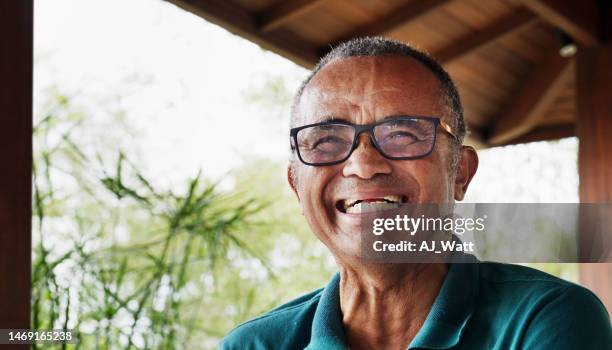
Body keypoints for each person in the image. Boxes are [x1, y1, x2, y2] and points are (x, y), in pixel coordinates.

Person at [220, 37, 612, 350]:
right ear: (296, 185)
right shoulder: (254, 344)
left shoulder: (545, 319)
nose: (363, 164)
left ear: (460, 173)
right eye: (326, 140)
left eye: (402, 135)